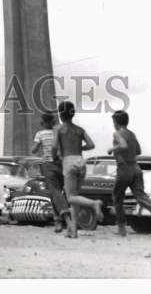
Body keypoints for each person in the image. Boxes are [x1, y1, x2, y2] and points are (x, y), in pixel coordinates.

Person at [108, 111, 151, 237]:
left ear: (117, 122)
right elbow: (138, 151)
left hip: (124, 168)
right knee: (141, 196)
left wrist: (112, 149)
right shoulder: (132, 134)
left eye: (113, 122)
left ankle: (122, 228)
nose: (113, 124)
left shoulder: (117, 133)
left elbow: (123, 145)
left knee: (117, 198)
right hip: (136, 168)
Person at [52, 100, 103, 238]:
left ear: (60, 114)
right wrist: (80, 148)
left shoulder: (58, 129)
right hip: (81, 161)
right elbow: (91, 145)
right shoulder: (80, 130)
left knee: (71, 198)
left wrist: (54, 158)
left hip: (69, 162)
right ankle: (73, 231)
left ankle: (94, 203)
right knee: (75, 198)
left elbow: (54, 147)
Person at [31, 111, 68, 233]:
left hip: (48, 165)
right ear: (53, 122)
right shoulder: (60, 133)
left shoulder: (40, 134)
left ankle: (64, 214)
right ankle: (58, 222)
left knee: (55, 192)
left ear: (42, 123)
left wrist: (37, 146)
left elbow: (34, 150)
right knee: (58, 192)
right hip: (61, 164)